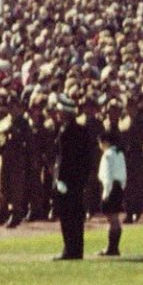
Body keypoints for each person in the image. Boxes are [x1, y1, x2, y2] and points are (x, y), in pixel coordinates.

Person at [52, 96, 94, 260]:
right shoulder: (81, 130)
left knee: (68, 216)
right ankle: (76, 249)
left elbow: (63, 159)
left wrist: (59, 179)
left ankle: (70, 249)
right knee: (76, 215)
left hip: (67, 181)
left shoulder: (66, 131)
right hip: (78, 181)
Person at [97, 128, 127, 257]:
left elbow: (107, 175)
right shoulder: (120, 153)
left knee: (112, 219)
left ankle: (111, 248)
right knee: (115, 218)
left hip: (111, 187)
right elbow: (124, 173)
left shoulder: (108, 155)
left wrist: (106, 192)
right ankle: (114, 247)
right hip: (119, 186)